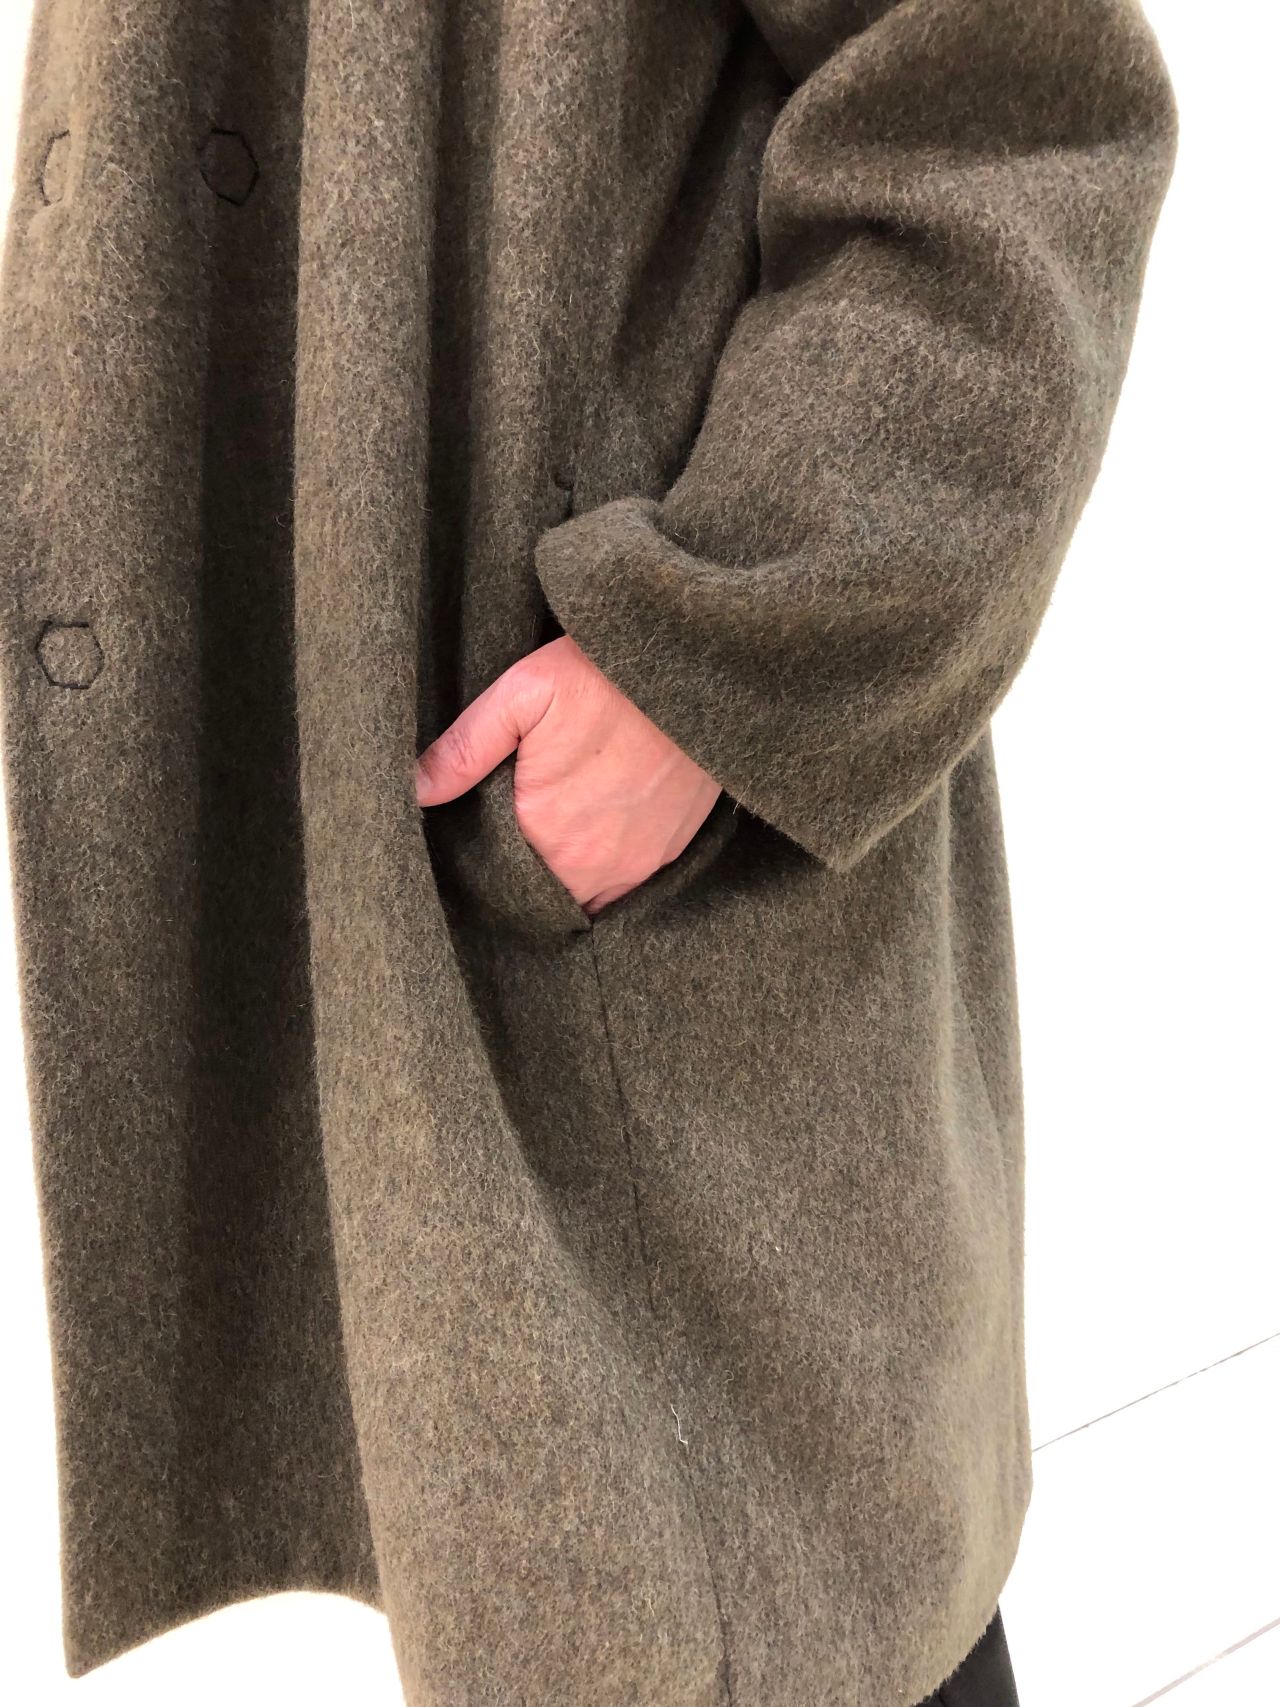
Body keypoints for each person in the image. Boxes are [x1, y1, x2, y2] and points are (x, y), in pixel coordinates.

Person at [0, 2, 1176, 1703]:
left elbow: (1010, 111)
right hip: (352, 852)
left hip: (635, 921)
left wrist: (710, 656)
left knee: (791, 1615)